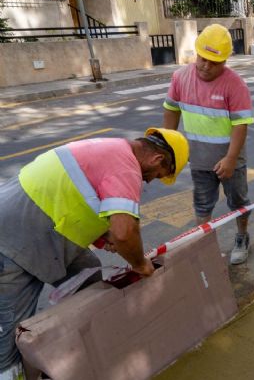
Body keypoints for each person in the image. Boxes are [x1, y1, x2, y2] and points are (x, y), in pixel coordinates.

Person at [0, 128, 189, 380]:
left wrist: (101, 236)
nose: (149, 181)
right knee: (9, 331)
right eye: (156, 176)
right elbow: (124, 232)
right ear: (157, 160)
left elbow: (75, 198)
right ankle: (9, 374)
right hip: (13, 241)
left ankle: (86, 351)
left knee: (89, 279)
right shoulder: (126, 167)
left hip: (44, 232)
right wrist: (140, 264)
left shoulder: (111, 148)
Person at [163, 24, 254, 266]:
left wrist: (231, 159)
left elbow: (240, 125)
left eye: (214, 62)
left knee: (238, 202)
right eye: (203, 59)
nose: (206, 66)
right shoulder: (181, 77)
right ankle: (204, 247)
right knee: (202, 205)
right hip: (199, 159)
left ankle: (242, 238)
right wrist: (168, 146)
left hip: (230, 160)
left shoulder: (235, 85)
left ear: (225, 61)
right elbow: (171, 110)